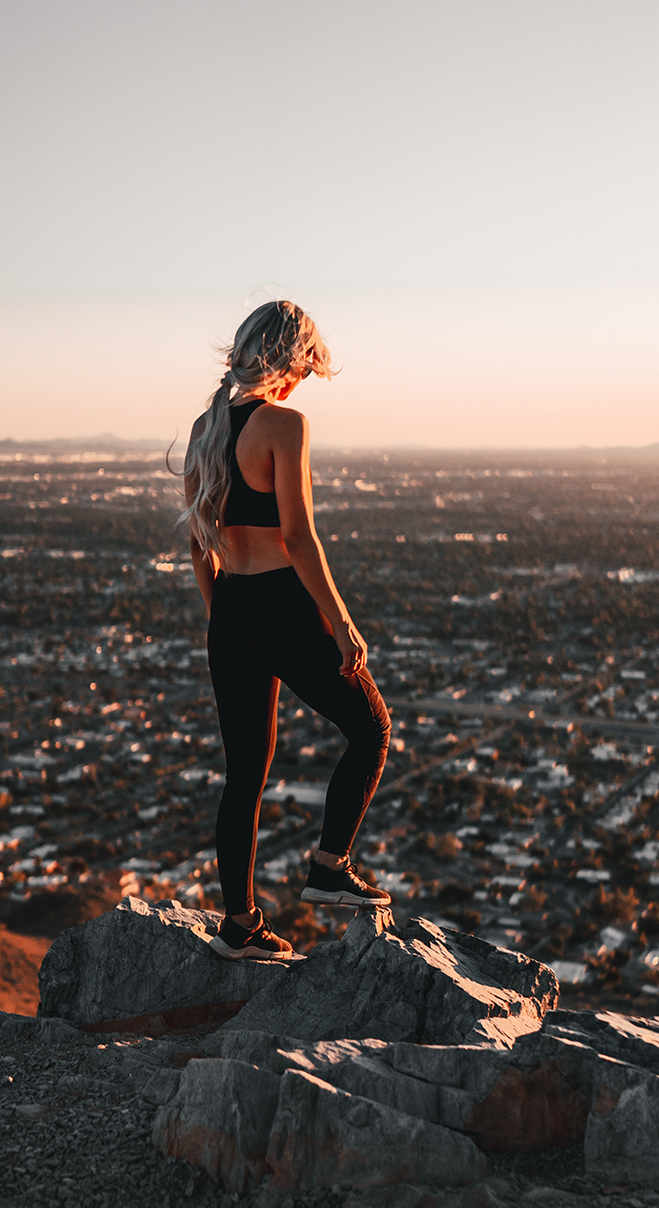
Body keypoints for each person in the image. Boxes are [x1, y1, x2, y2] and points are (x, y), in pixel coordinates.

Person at [181, 301, 392, 961]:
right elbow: (299, 538)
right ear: (287, 361)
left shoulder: (204, 427)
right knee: (371, 727)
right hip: (283, 605)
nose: (304, 381)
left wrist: (220, 613)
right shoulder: (284, 425)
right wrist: (342, 623)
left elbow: (197, 545)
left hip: (233, 606)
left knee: (244, 773)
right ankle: (329, 868)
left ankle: (239, 926)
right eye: (305, 366)